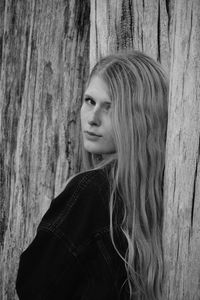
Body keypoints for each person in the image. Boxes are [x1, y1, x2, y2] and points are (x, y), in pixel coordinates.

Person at [16, 51, 168, 300]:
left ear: (141, 120)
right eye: (89, 101)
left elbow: (33, 286)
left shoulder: (91, 190)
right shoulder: (153, 194)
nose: (93, 119)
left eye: (110, 107)